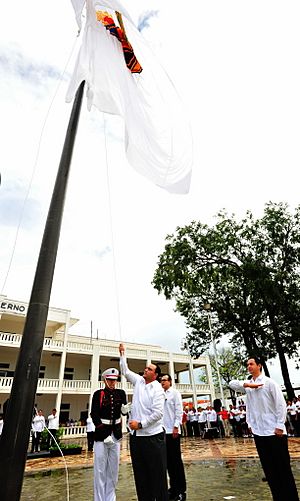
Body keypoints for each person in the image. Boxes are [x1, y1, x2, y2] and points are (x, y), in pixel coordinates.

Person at [229, 356, 299, 501]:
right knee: (270, 470)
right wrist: (248, 385)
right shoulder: (248, 385)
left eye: (252, 364)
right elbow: (231, 383)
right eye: (247, 364)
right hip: (259, 432)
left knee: (283, 470)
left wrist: (280, 426)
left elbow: (280, 405)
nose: (249, 366)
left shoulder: (269, 383)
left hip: (274, 432)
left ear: (259, 365)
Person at [119, 343, 168, 501]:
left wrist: (140, 424)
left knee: (157, 476)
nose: (145, 370)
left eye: (149, 369)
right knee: (140, 475)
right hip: (136, 439)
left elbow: (158, 414)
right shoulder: (139, 381)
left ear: (155, 375)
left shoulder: (158, 390)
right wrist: (122, 354)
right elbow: (125, 371)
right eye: (146, 368)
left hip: (153, 438)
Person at [91, 367, 127, 501]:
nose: (112, 383)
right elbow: (94, 415)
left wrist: (125, 411)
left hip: (116, 435)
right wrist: (105, 435)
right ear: (104, 380)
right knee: (100, 470)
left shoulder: (121, 393)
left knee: (113, 470)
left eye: (114, 380)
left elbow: (123, 413)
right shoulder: (98, 394)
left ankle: (110, 498)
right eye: (110, 380)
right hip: (102, 436)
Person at [161, 374, 187, 501]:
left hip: (173, 431)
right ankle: (172, 488)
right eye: (161, 380)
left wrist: (176, 426)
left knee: (176, 462)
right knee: (167, 463)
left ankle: (181, 490)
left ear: (170, 381)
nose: (162, 382)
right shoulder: (159, 394)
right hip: (162, 432)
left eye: (165, 380)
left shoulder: (175, 393)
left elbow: (179, 411)